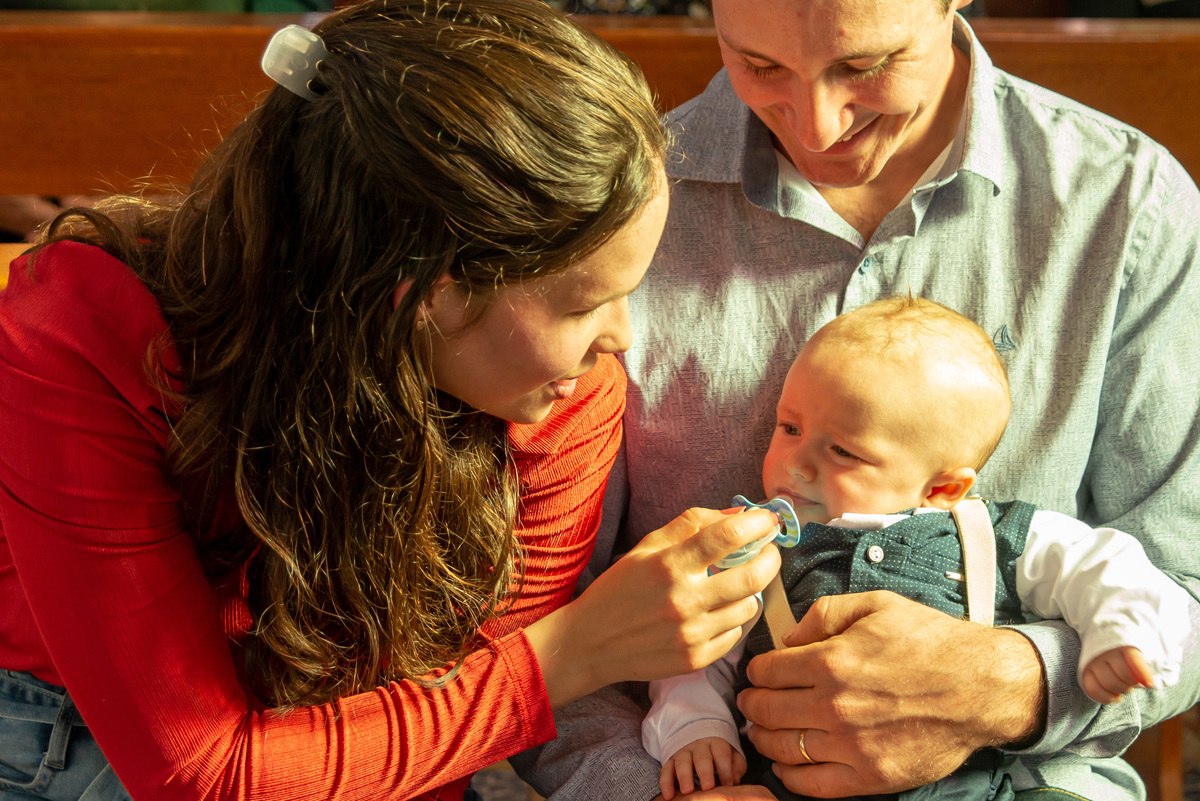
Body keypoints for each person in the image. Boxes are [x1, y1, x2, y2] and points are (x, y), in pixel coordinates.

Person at [0, 2, 782, 799]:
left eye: (629, 294)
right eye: (583, 306)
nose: (619, 339)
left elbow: (447, 720)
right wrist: (573, 651)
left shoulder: (561, 397)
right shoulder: (79, 335)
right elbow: (202, 771)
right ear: (431, 296)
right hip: (75, 735)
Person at [507, 0, 1200, 798]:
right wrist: (642, 785)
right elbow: (537, 636)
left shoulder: (1129, 204)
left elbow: (1182, 589)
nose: (818, 126)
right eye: (761, 66)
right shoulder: (614, 210)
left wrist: (1014, 683)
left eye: (866, 67)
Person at [643, 297, 1192, 800]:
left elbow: (1103, 567)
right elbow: (693, 646)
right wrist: (696, 729)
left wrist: (1120, 633)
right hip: (795, 783)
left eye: (842, 451)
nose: (796, 464)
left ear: (943, 488)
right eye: (789, 427)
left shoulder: (985, 535)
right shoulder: (755, 547)